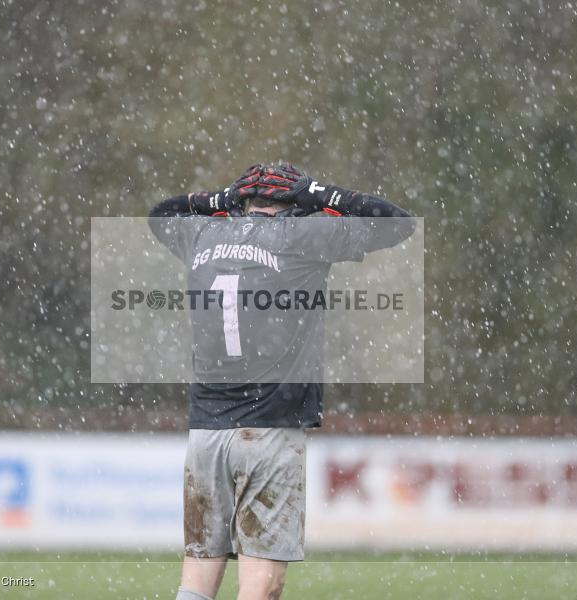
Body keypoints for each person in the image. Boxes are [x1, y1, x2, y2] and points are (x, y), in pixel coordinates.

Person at [148, 163, 414, 600]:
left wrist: (217, 200)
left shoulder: (201, 235)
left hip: (205, 431)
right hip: (268, 431)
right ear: (294, 206)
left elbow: (160, 214)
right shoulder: (302, 237)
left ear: (245, 202)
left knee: (196, 582)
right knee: (262, 586)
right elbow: (397, 223)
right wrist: (320, 193)